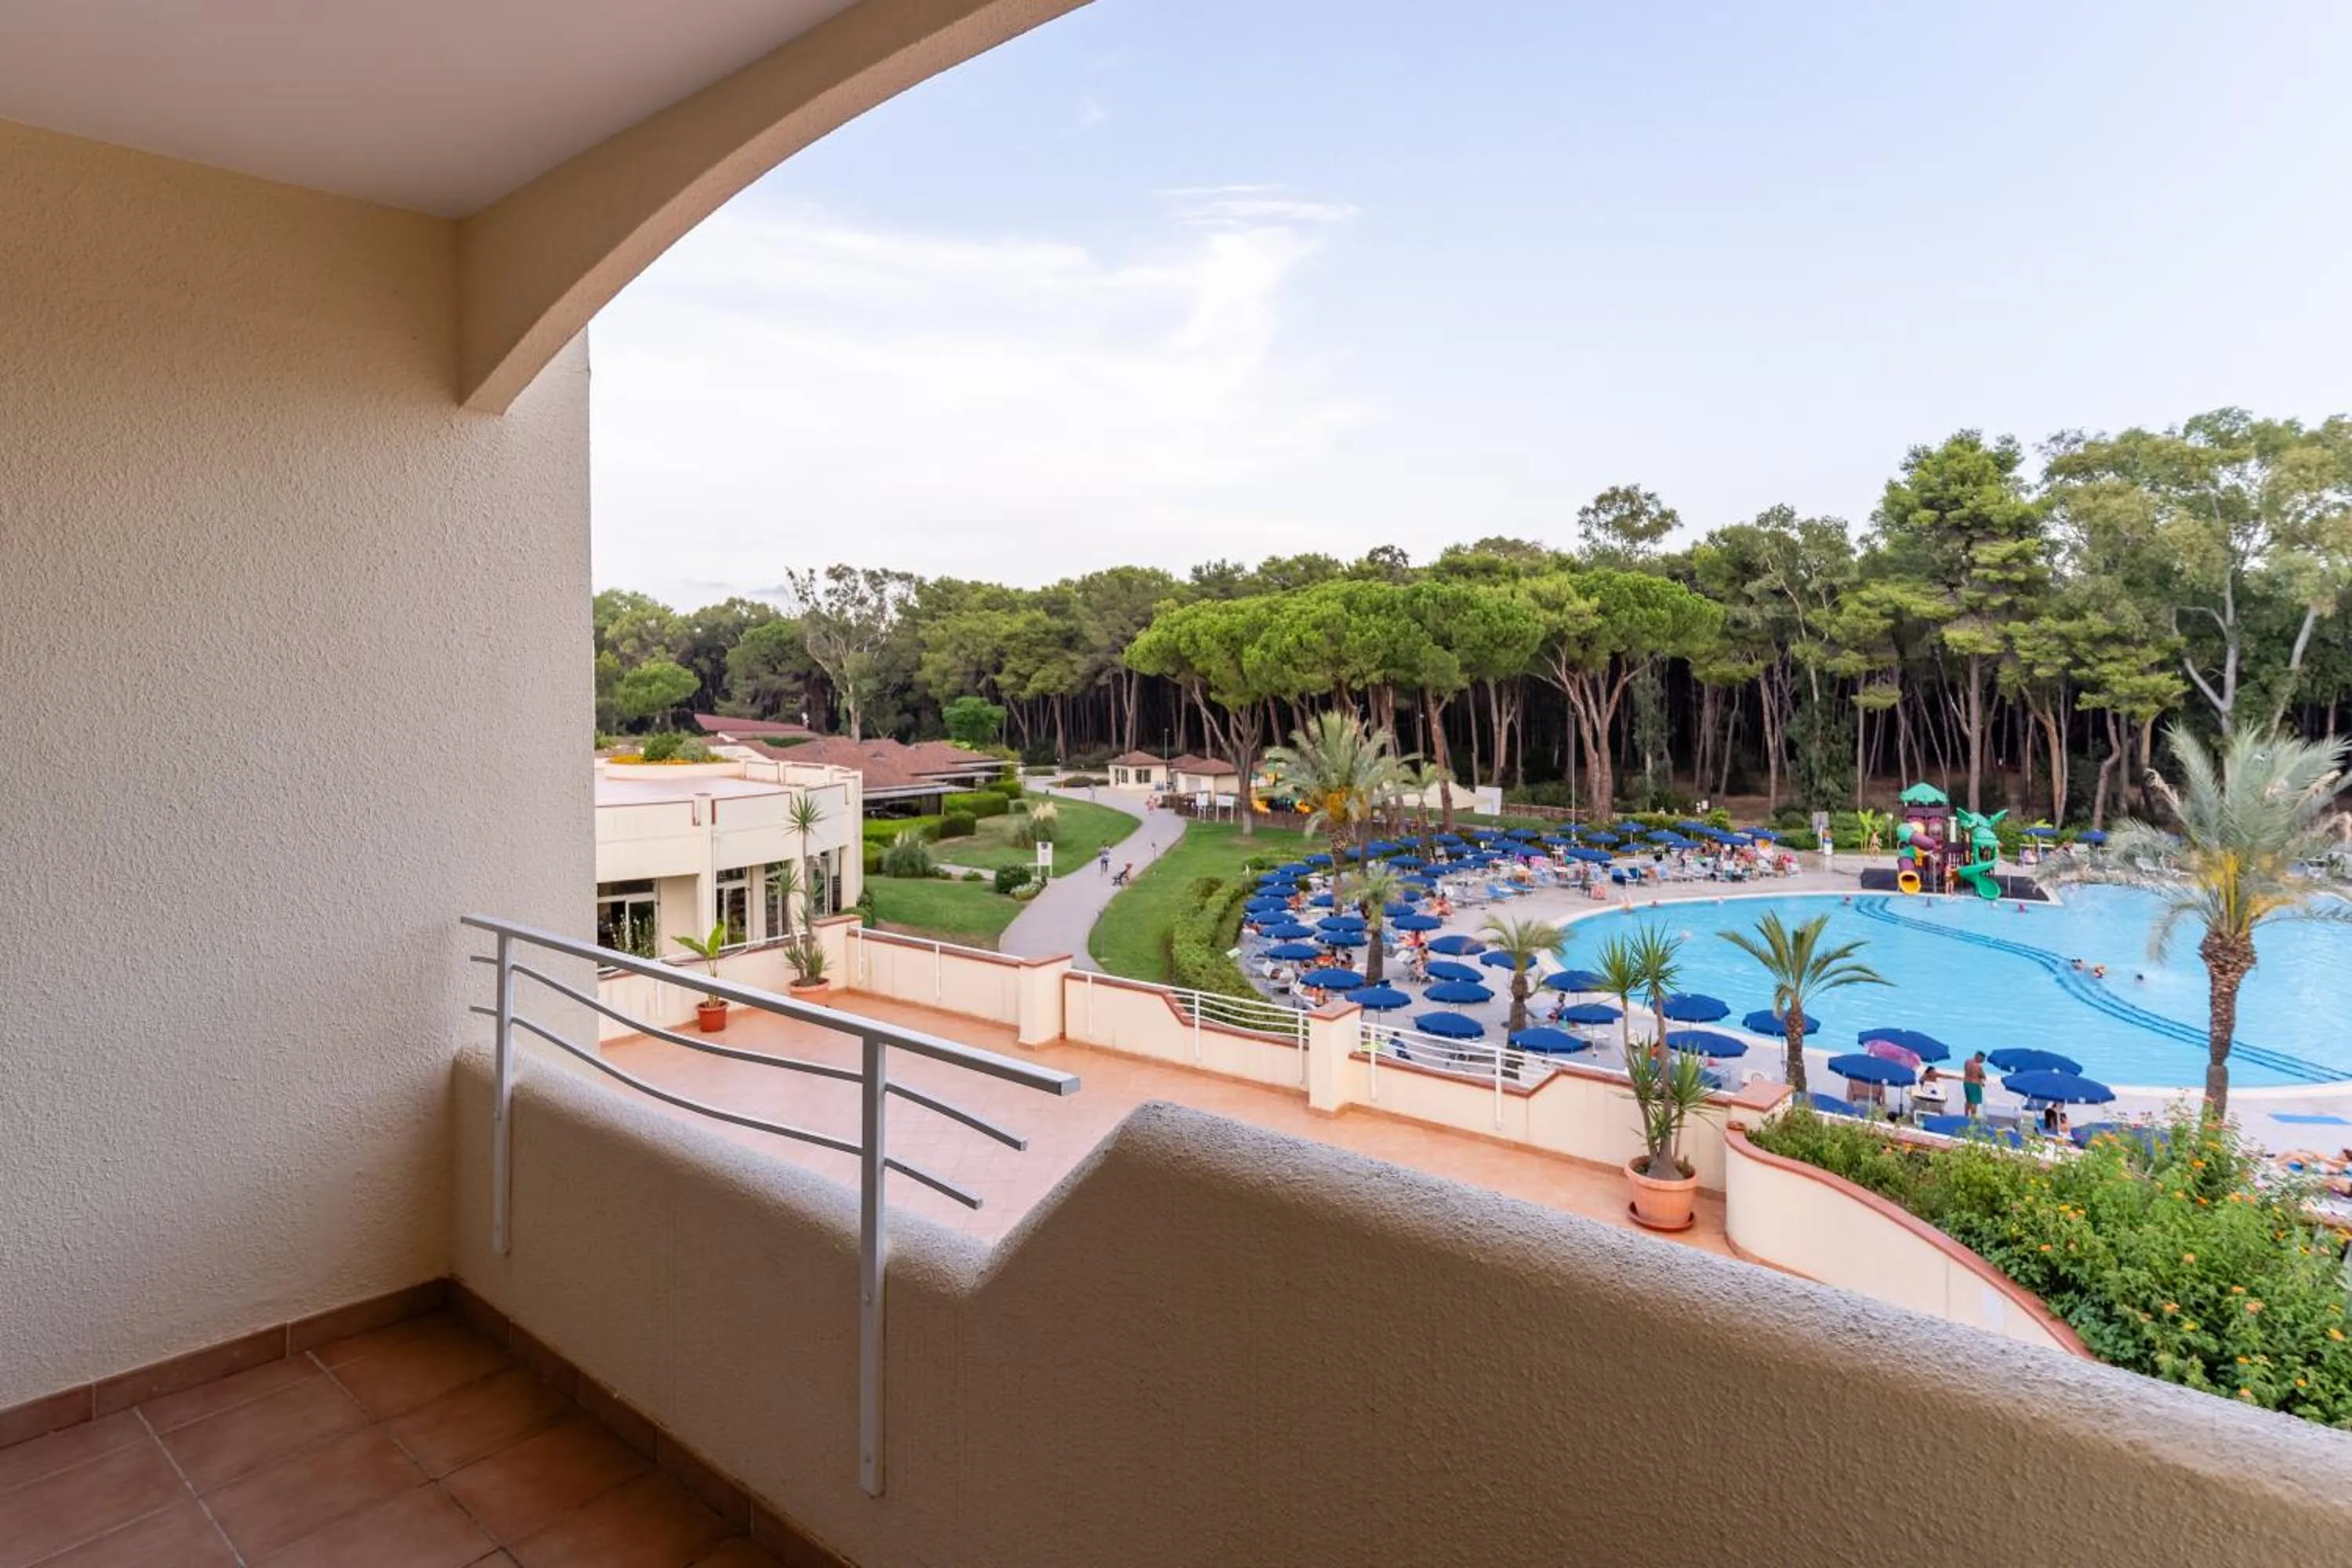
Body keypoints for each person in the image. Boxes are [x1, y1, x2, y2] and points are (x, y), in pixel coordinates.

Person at [1962, 1051, 1987, 1120]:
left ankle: (1966, 1115)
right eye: (1983, 1059)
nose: (1983, 1061)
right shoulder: (1978, 1066)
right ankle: (1973, 1117)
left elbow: (1966, 1071)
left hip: (1966, 1082)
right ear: (1978, 1056)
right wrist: (1982, 1079)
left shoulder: (1967, 1062)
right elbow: (1983, 1076)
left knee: (1968, 1100)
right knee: (1974, 1102)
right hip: (1975, 1084)